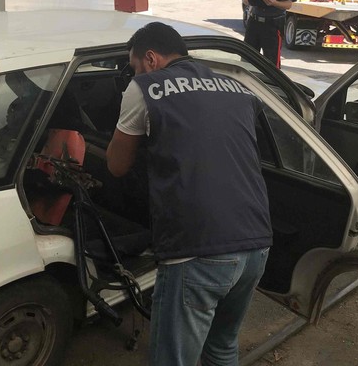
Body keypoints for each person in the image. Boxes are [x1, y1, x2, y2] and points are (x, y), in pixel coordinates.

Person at [106, 22, 272, 366]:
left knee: (173, 359)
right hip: (256, 242)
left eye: (134, 66)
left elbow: (116, 166)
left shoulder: (146, 87)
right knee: (222, 347)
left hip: (198, 249)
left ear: (150, 58)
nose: (134, 74)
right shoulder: (236, 86)